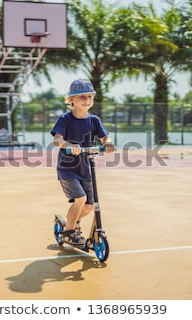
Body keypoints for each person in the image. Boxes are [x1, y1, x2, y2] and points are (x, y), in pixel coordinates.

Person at [51, 79, 115, 246]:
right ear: (71, 100)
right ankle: (69, 232)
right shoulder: (65, 119)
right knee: (80, 198)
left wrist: (108, 142)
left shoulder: (94, 120)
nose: (87, 100)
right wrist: (69, 145)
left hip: (85, 167)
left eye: (89, 96)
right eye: (82, 97)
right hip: (68, 168)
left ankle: (71, 223)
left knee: (88, 206)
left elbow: (104, 137)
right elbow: (57, 140)